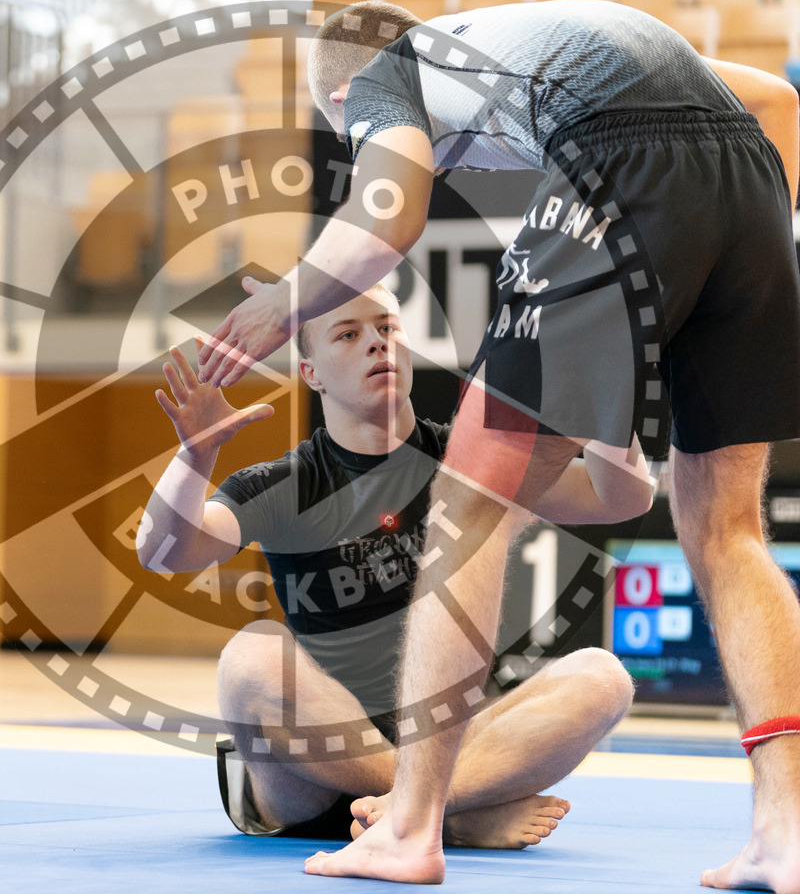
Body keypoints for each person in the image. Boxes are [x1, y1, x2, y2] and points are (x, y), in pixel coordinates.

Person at [194, 0, 800, 890]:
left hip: (619, 165)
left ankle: (409, 830)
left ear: (342, 105)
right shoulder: (513, 41)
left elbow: (387, 217)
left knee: (472, 502)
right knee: (727, 531)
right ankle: (784, 831)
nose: (459, 162)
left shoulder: (386, 71)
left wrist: (281, 304)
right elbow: (771, 106)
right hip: (752, 188)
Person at [139, 281, 651, 848]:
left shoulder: (472, 466)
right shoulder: (290, 483)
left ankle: (427, 807)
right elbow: (166, 552)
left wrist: (609, 382)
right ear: (312, 374)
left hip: (447, 745)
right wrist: (196, 456)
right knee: (249, 659)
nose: (377, 344)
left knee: (602, 677)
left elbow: (620, 498)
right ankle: (446, 812)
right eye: (349, 334)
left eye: (388, 328)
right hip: (311, 780)